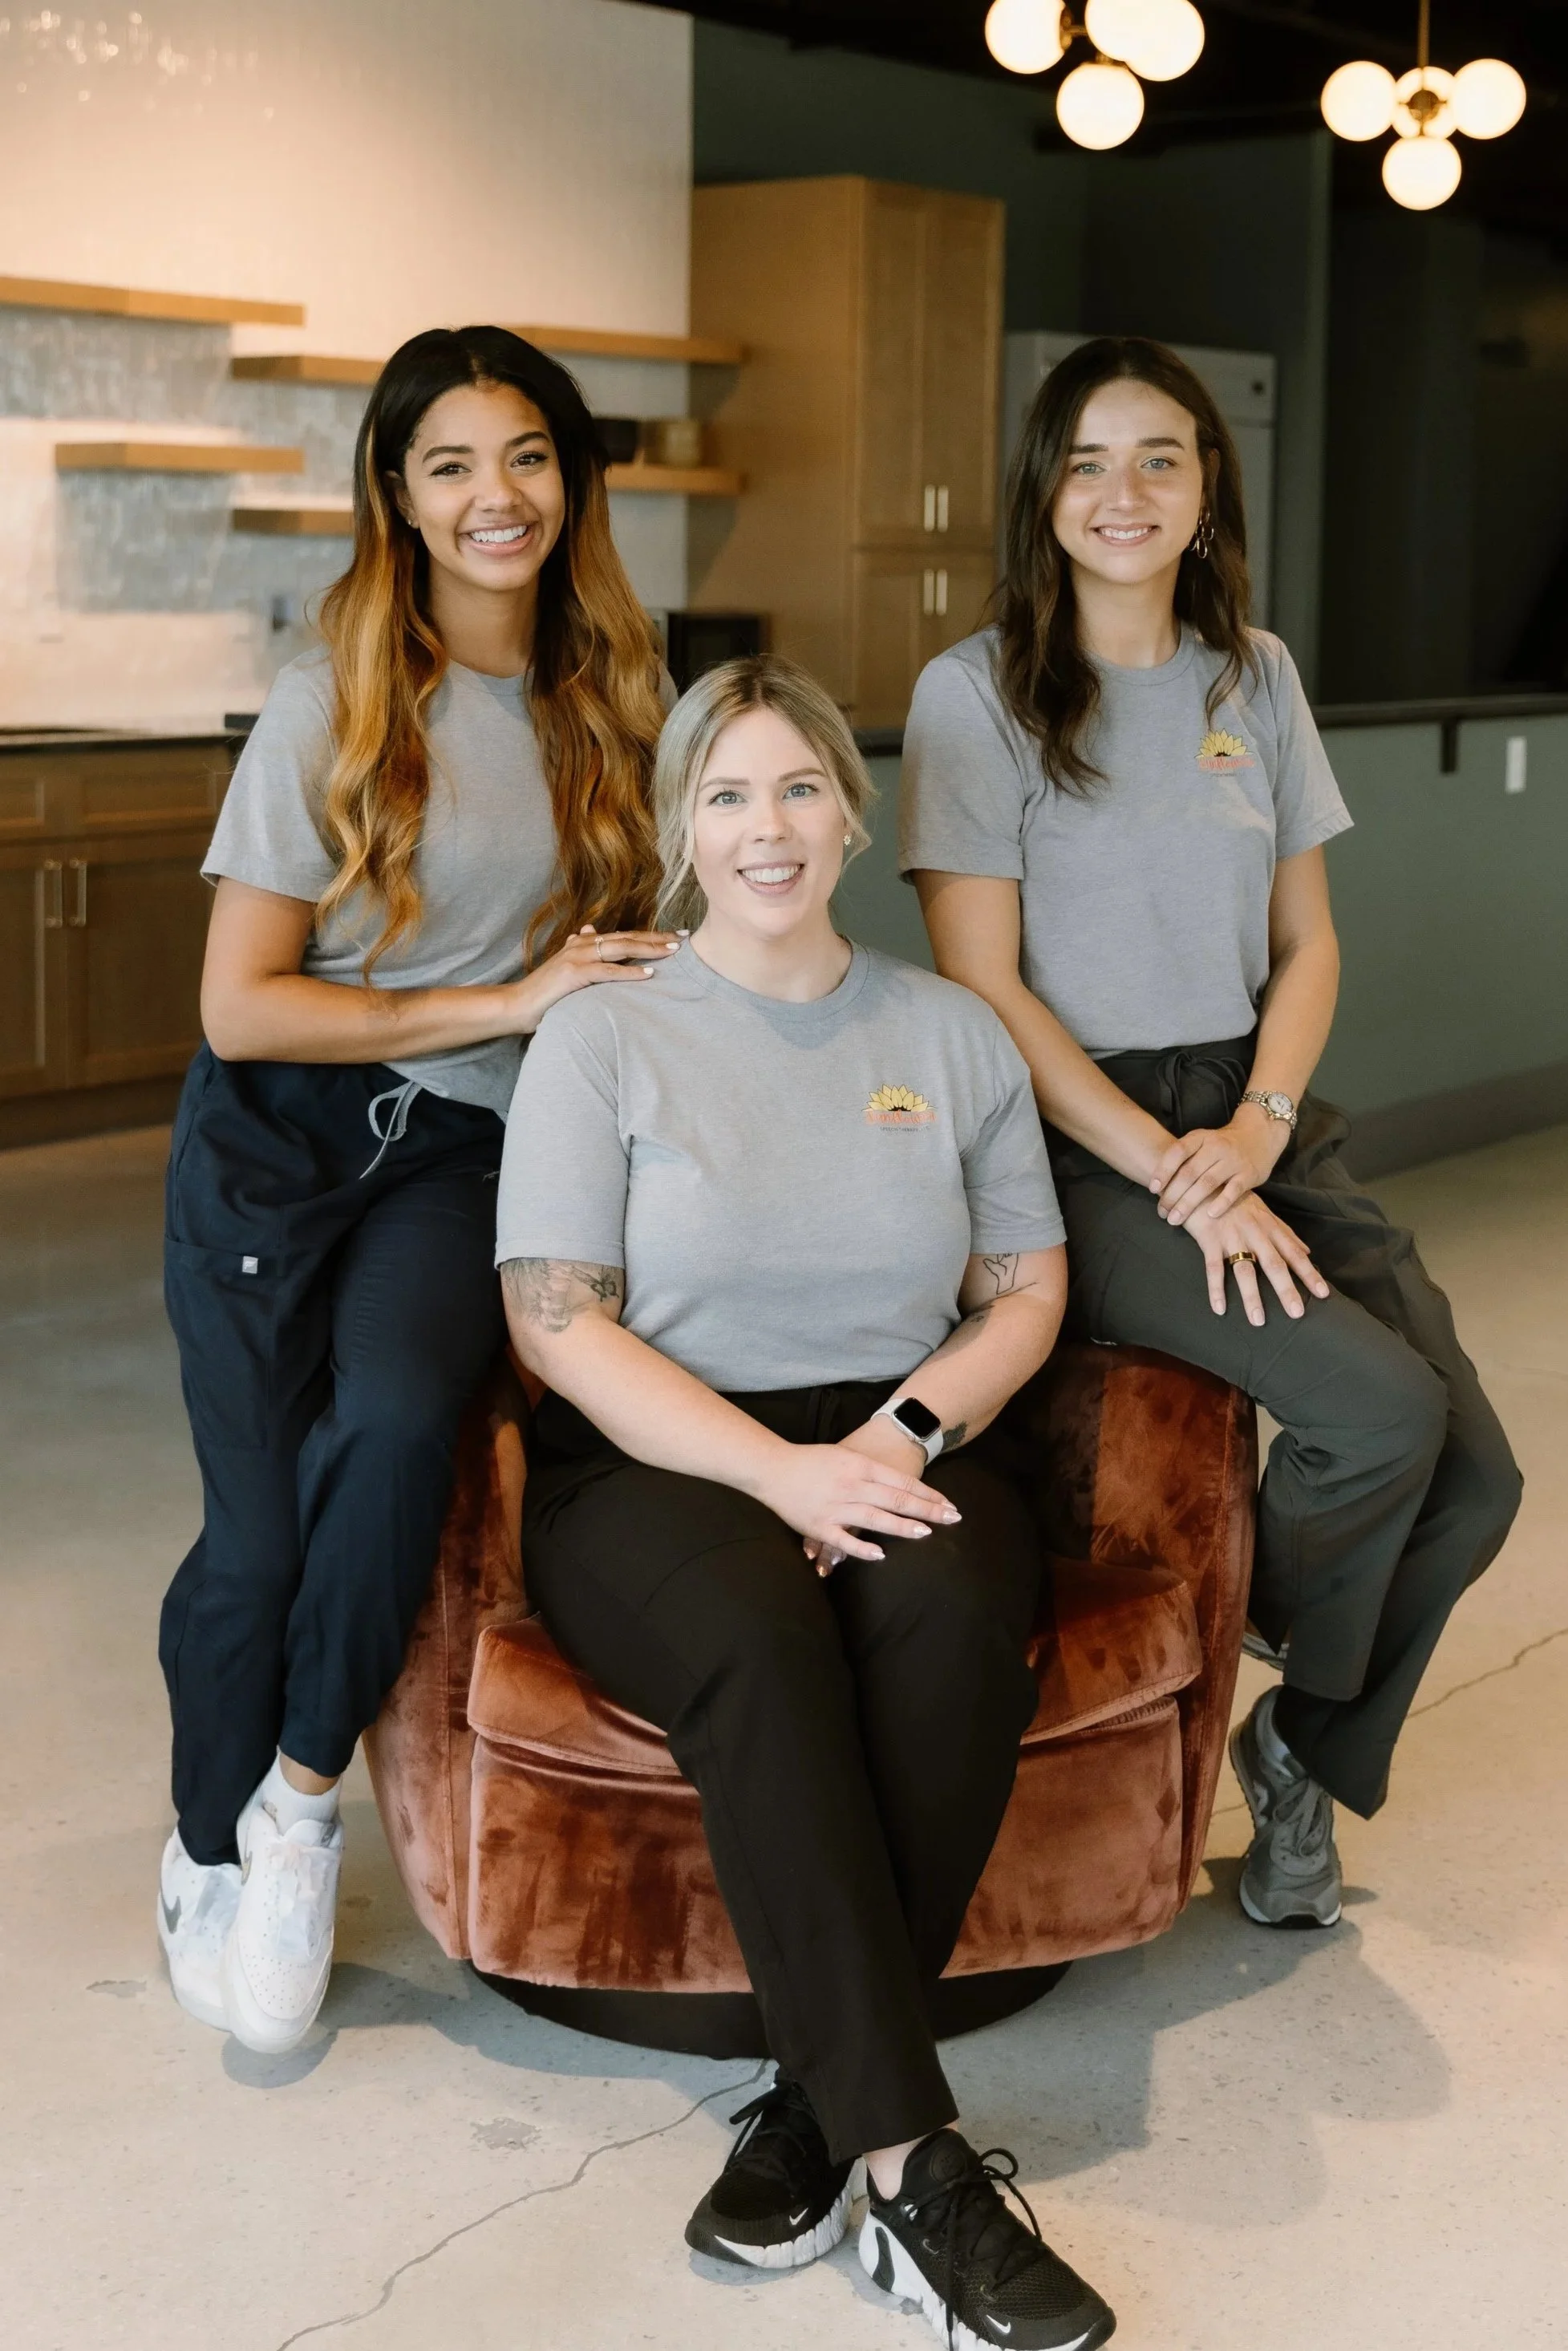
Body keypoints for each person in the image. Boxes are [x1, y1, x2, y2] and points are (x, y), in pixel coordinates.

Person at [496, 655, 1116, 2351]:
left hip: (903, 1428)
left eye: (794, 788)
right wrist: (771, 1472)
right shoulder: (599, 1033)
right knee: (762, 1645)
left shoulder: (945, 1028)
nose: (763, 827)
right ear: (677, 824)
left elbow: (1025, 1286)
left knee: (946, 1619)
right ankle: (919, 2176)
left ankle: (812, 2104)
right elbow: (555, 1323)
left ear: (850, 807)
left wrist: (904, 1436)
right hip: (657, 1458)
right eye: (724, 794)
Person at [900, 334, 1521, 1932]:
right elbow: (982, 989)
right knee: (1377, 1417)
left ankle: (1303, 1741)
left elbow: (1306, 944)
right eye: (1089, 461)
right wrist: (1173, 1170)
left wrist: (1248, 1130)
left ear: (1204, 487)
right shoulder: (969, 695)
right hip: (1076, 1141)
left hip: (1252, 1112)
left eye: (1159, 458)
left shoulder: (1254, 670)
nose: (1124, 493)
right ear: (1042, 492)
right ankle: (1286, 1626)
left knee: (1478, 1481)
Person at [157, 325, 681, 2053]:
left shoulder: (618, 681)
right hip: (276, 1141)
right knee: (254, 1536)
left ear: (569, 476)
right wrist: (501, 1000)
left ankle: (302, 1816)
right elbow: (242, 1000)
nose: (493, 496)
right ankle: (203, 1837)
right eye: (448, 462)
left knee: (390, 1427)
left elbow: (660, 937)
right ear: (395, 490)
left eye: (524, 455)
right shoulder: (338, 691)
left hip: (464, 1151)